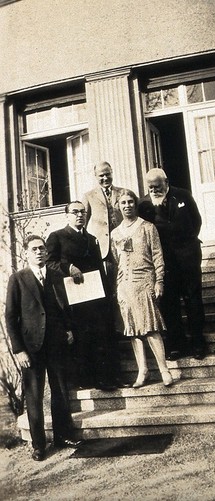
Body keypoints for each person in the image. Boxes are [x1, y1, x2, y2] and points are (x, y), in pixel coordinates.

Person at [5, 235, 82, 461]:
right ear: (26, 252)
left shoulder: (56, 276)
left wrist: (68, 329)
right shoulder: (18, 279)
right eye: (34, 249)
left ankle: (63, 436)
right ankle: (39, 445)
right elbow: (10, 317)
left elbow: (63, 306)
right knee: (34, 396)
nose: (39, 252)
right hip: (31, 348)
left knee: (60, 392)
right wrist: (19, 350)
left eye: (42, 248)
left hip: (56, 344)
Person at [46, 201, 126, 391]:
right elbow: (49, 263)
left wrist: (108, 294)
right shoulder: (57, 237)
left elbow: (99, 268)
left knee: (102, 336)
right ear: (67, 215)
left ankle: (108, 378)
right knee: (82, 338)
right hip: (72, 298)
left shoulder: (92, 239)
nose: (80, 215)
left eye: (82, 212)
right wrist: (68, 268)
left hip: (95, 296)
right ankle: (86, 379)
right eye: (75, 212)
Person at [138, 168, 206, 361]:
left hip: (188, 257)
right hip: (164, 262)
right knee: (169, 303)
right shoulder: (143, 204)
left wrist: (187, 243)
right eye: (150, 187)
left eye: (157, 186)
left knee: (193, 299)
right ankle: (177, 344)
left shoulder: (182, 195)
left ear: (166, 182)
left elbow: (197, 221)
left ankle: (198, 343)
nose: (154, 190)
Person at [111, 189, 173, 388]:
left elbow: (157, 256)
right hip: (125, 284)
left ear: (135, 204)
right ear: (118, 206)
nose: (127, 205)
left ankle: (164, 369)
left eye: (130, 202)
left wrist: (159, 281)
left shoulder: (148, 227)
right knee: (133, 329)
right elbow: (116, 259)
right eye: (123, 203)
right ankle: (143, 371)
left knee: (150, 326)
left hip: (145, 281)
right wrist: (120, 284)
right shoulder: (115, 233)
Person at [82, 161, 124, 263]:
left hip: (123, 242)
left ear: (112, 172)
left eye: (108, 174)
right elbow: (83, 223)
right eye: (101, 175)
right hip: (103, 246)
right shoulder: (89, 196)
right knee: (108, 276)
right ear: (95, 176)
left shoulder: (124, 192)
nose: (105, 178)